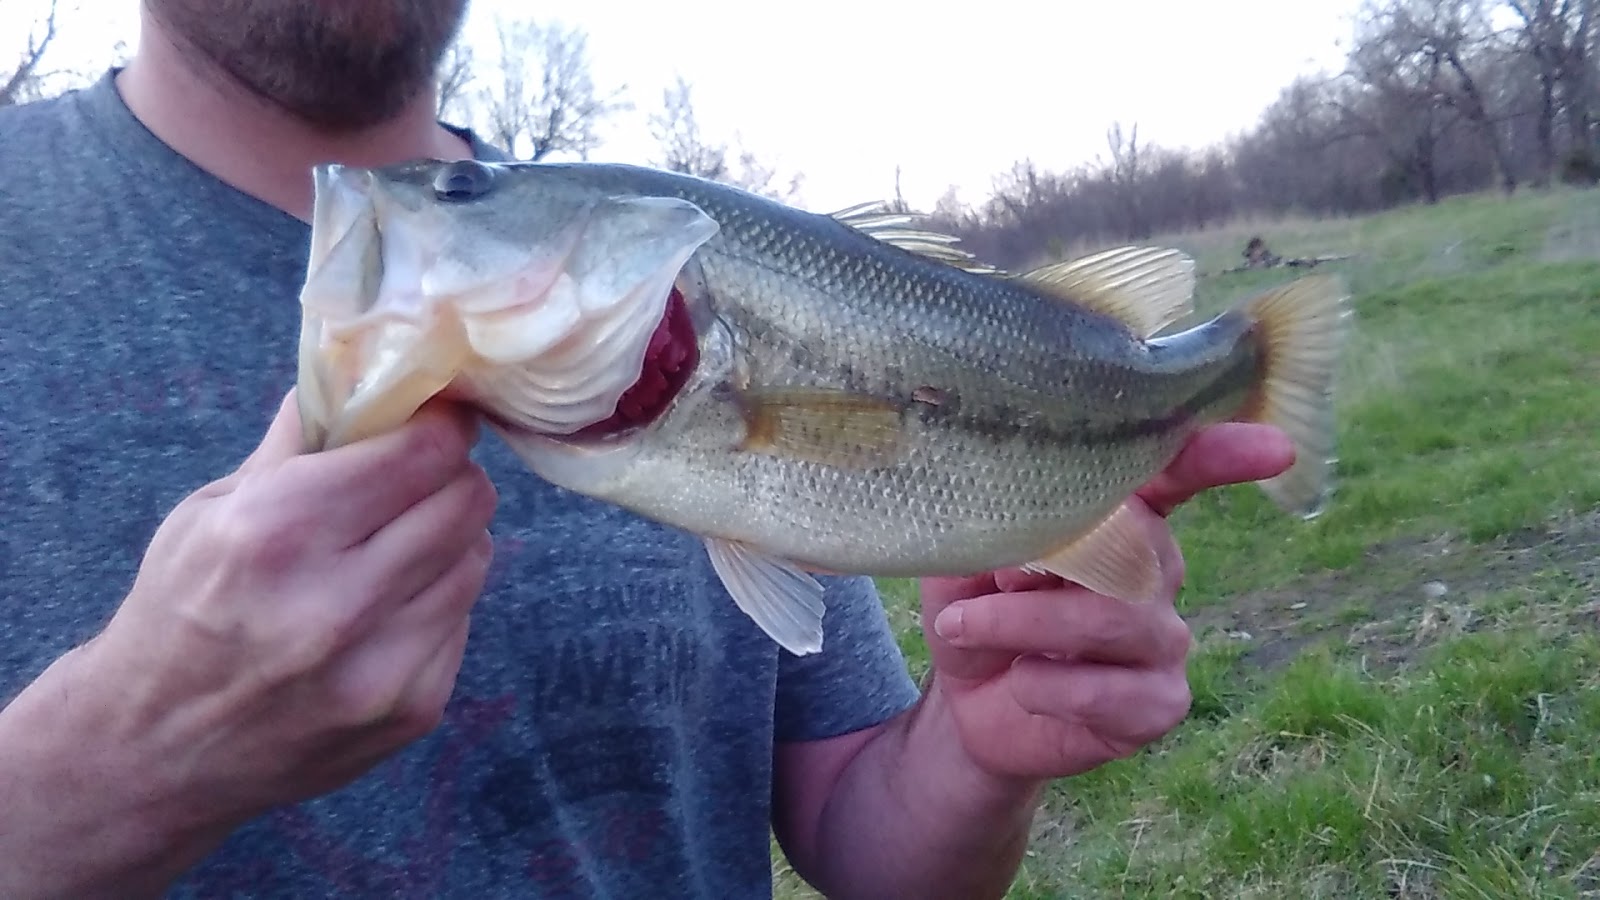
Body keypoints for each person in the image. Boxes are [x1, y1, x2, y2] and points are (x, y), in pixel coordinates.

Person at [0, 1, 1296, 897]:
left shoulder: (671, 264)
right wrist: (111, 768)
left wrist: (975, 750)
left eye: (462, 209)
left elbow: (861, 831)